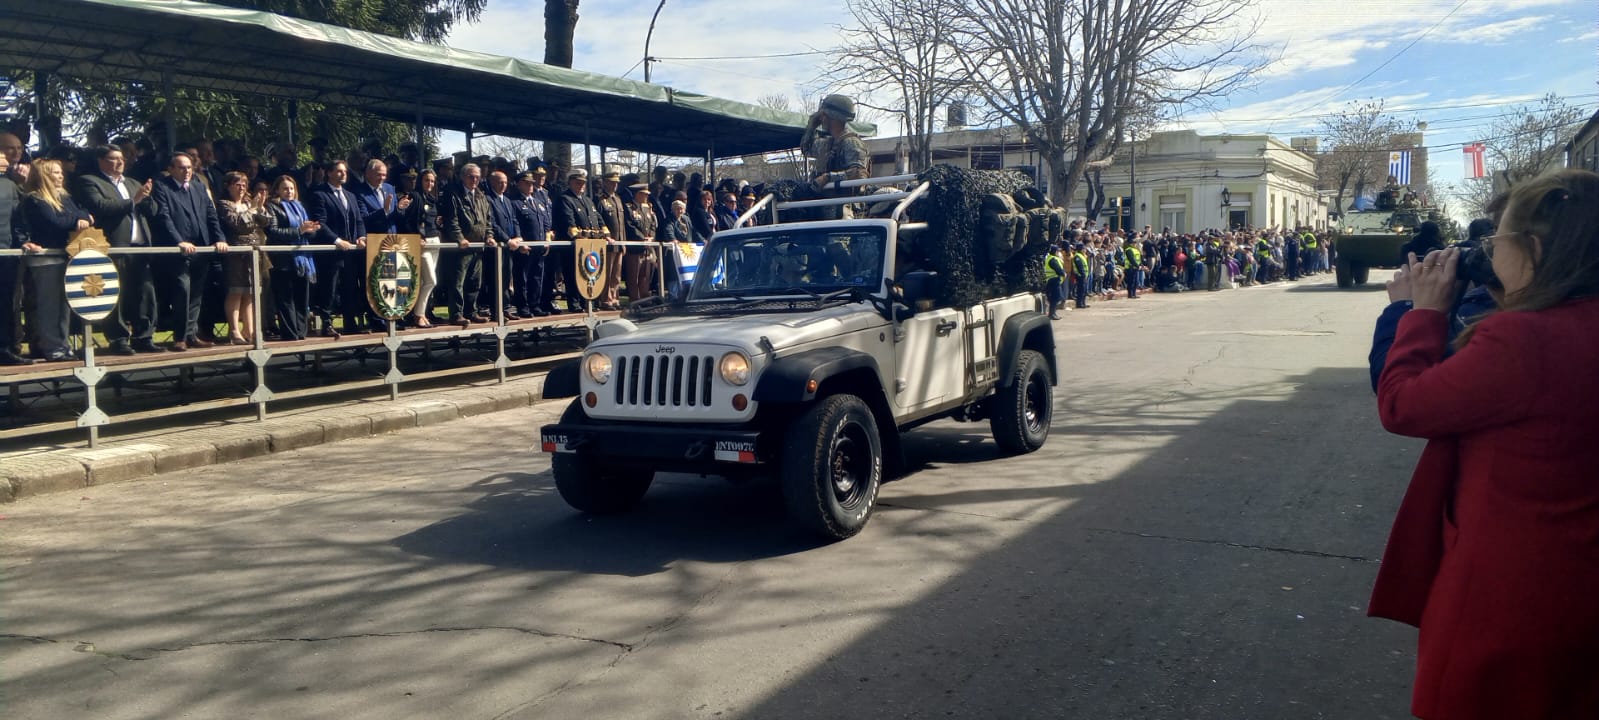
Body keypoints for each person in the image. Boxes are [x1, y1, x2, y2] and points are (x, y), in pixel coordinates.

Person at [1370, 169, 1599, 720]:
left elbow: (1403, 404)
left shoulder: (1522, 339)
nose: (1487, 253)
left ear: (1534, 248)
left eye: (1497, 242)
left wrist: (1418, 310)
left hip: (1509, 592)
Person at [72, 144, 162, 354]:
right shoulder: (90, 182)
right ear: (101, 161)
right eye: (114, 158)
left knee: (144, 292)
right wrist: (134, 200)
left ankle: (144, 336)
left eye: (121, 158)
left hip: (140, 246)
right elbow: (102, 207)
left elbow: (154, 211)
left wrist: (147, 198)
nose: (120, 162)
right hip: (114, 246)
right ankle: (118, 338)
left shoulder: (132, 183)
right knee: (116, 294)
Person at [152, 151, 228, 351]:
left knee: (196, 294)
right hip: (179, 252)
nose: (186, 171)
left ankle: (191, 334)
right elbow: (164, 217)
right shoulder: (162, 188)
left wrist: (219, 239)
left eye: (189, 167)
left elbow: (211, 215)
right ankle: (179, 337)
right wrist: (179, 242)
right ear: (171, 169)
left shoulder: (198, 187)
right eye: (181, 167)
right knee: (182, 291)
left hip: (201, 248)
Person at [19, 159, 91, 362]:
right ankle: (53, 348)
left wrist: (79, 217)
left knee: (64, 307)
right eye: (55, 173)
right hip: (46, 259)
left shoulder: (65, 197)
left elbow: (82, 211)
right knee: (49, 305)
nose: (61, 176)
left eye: (61, 173)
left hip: (65, 257)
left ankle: (64, 346)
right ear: (44, 176)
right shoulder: (35, 199)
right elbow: (54, 222)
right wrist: (76, 221)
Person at [303, 159, 366, 338]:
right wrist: (336, 240)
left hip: (350, 250)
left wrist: (360, 236)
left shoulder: (350, 195)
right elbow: (320, 222)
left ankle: (350, 322)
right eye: (339, 171)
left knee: (350, 287)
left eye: (344, 171)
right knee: (329, 288)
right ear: (329, 173)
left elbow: (358, 220)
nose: (343, 174)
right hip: (331, 251)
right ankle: (327, 323)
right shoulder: (319, 194)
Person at [216, 171, 275, 344]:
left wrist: (261, 207)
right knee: (236, 292)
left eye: (244, 184)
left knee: (250, 293)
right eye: (237, 184)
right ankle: (234, 330)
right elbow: (238, 225)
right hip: (236, 254)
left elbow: (266, 223)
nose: (241, 188)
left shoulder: (250, 203)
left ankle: (250, 329)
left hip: (254, 253)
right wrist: (252, 210)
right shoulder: (224, 204)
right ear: (228, 186)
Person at [263, 174, 319, 341]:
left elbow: (307, 231)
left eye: (292, 188)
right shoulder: (272, 207)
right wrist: (299, 231)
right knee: (286, 300)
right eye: (285, 188)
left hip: (302, 259)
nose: (289, 191)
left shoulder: (300, 207)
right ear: (277, 191)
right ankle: (290, 334)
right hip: (283, 260)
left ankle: (301, 333)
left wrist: (312, 230)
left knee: (302, 298)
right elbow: (273, 232)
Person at [440, 162, 494, 325]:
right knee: (458, 282)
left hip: (478, 247)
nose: (475, 180)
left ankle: (472, 311)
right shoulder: (453, 193)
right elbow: (451, 220)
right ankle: (456, 314)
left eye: (477, 177)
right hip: (461, 248)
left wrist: (489, 236)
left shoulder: (481, 195)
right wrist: (459, 238)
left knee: (474, 281)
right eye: (471, 176)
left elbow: (488, 220)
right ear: (463, 176)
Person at [802, 94, 869, 215]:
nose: (821, 118)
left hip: (844, 210)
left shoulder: (852, 143)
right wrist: (812, 125)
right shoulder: (827, 143)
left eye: (824, 115)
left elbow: (859, 174)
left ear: (833, 117)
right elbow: (806, 148)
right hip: (824, 208)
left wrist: (828, 177)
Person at [552, 168, 605, 313]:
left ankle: (588, 302)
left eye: (583, 183)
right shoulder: (565, 199)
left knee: (589, 275)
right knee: (573, 276)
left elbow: (597, 219)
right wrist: (581, 235)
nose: (581, 185)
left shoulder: (587, 200)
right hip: (573, 247)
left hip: (590, 246)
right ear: (570, 182)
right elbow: (569, 223)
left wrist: (604, 233)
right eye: (577, 182)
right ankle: (575, 304)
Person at [399, 169, 442, 327]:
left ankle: (422, 313)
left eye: (432, 181)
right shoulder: (415, 197)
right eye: (426, 180)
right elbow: (409, 221)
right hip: (422, 244)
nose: (429, 184)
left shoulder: (432, 199)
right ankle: (418, 314)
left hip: (434, 242)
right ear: (420, 181)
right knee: (431, 280)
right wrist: (417, 237)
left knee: (426, 280)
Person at [508, 168, 551, 317]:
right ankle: (523, 306)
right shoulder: (515, 203)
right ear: (519, 184)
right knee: (522, 279)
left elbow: (546, 223)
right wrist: (520, 242)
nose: (530, 186)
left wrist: (547, 240)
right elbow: (515, 224)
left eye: (532, 183)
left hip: (539, 246)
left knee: (537, 277)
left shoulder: (538, 202)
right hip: (525, 247)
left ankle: (535, 305)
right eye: (527, 183)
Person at [0, 151, 30, 365]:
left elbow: (19, 216)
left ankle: (5, 347)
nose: (5, 161)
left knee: (6, 302)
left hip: (6, 253)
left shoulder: (9, 185)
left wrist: (22, 241)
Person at [594, 170, 627, 310]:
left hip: (619, 241)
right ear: (605, 183)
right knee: (607, 273)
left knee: (616, 274)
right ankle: (606, 299)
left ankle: (614, 297)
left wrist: (623, 242)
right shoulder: (600, 200)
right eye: (612, 183)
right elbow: (599, 221)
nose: (614, 186)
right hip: (608, 243)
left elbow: (622, 224)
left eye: (616, 183)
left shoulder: (618, 199)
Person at [623, 183, 660, 303]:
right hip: (635, 248)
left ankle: (644, 297)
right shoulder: (629, 208)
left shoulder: (647, 208)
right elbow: (630, 226)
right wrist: (642, 238)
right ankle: (634, 298)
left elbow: (653, 225)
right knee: (634, 275)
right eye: (644, 194)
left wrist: (651, 237)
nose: (646, 197)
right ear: (638, 194)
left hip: (647, 248)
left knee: (645, 274)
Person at [1042, 244, 1066, 319]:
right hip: (1053, 280)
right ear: (1055, 251)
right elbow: (1058, 269)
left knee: (1054, 297)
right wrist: (1063, 273)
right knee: (1055, 297)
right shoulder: (1053, 259)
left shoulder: (1049, 258)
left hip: (1051, 280)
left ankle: (1053, 313)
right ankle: (1052, 314)